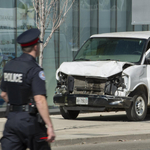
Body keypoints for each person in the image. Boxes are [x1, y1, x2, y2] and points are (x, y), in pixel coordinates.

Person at [0, 28, 55, 150]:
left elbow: (4, 94)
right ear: (36, 47)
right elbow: (40, 100)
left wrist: (17, 104)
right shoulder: (34, 70)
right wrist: (49, 126)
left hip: (12, 120)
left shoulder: (9, 65)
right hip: (30, 121)